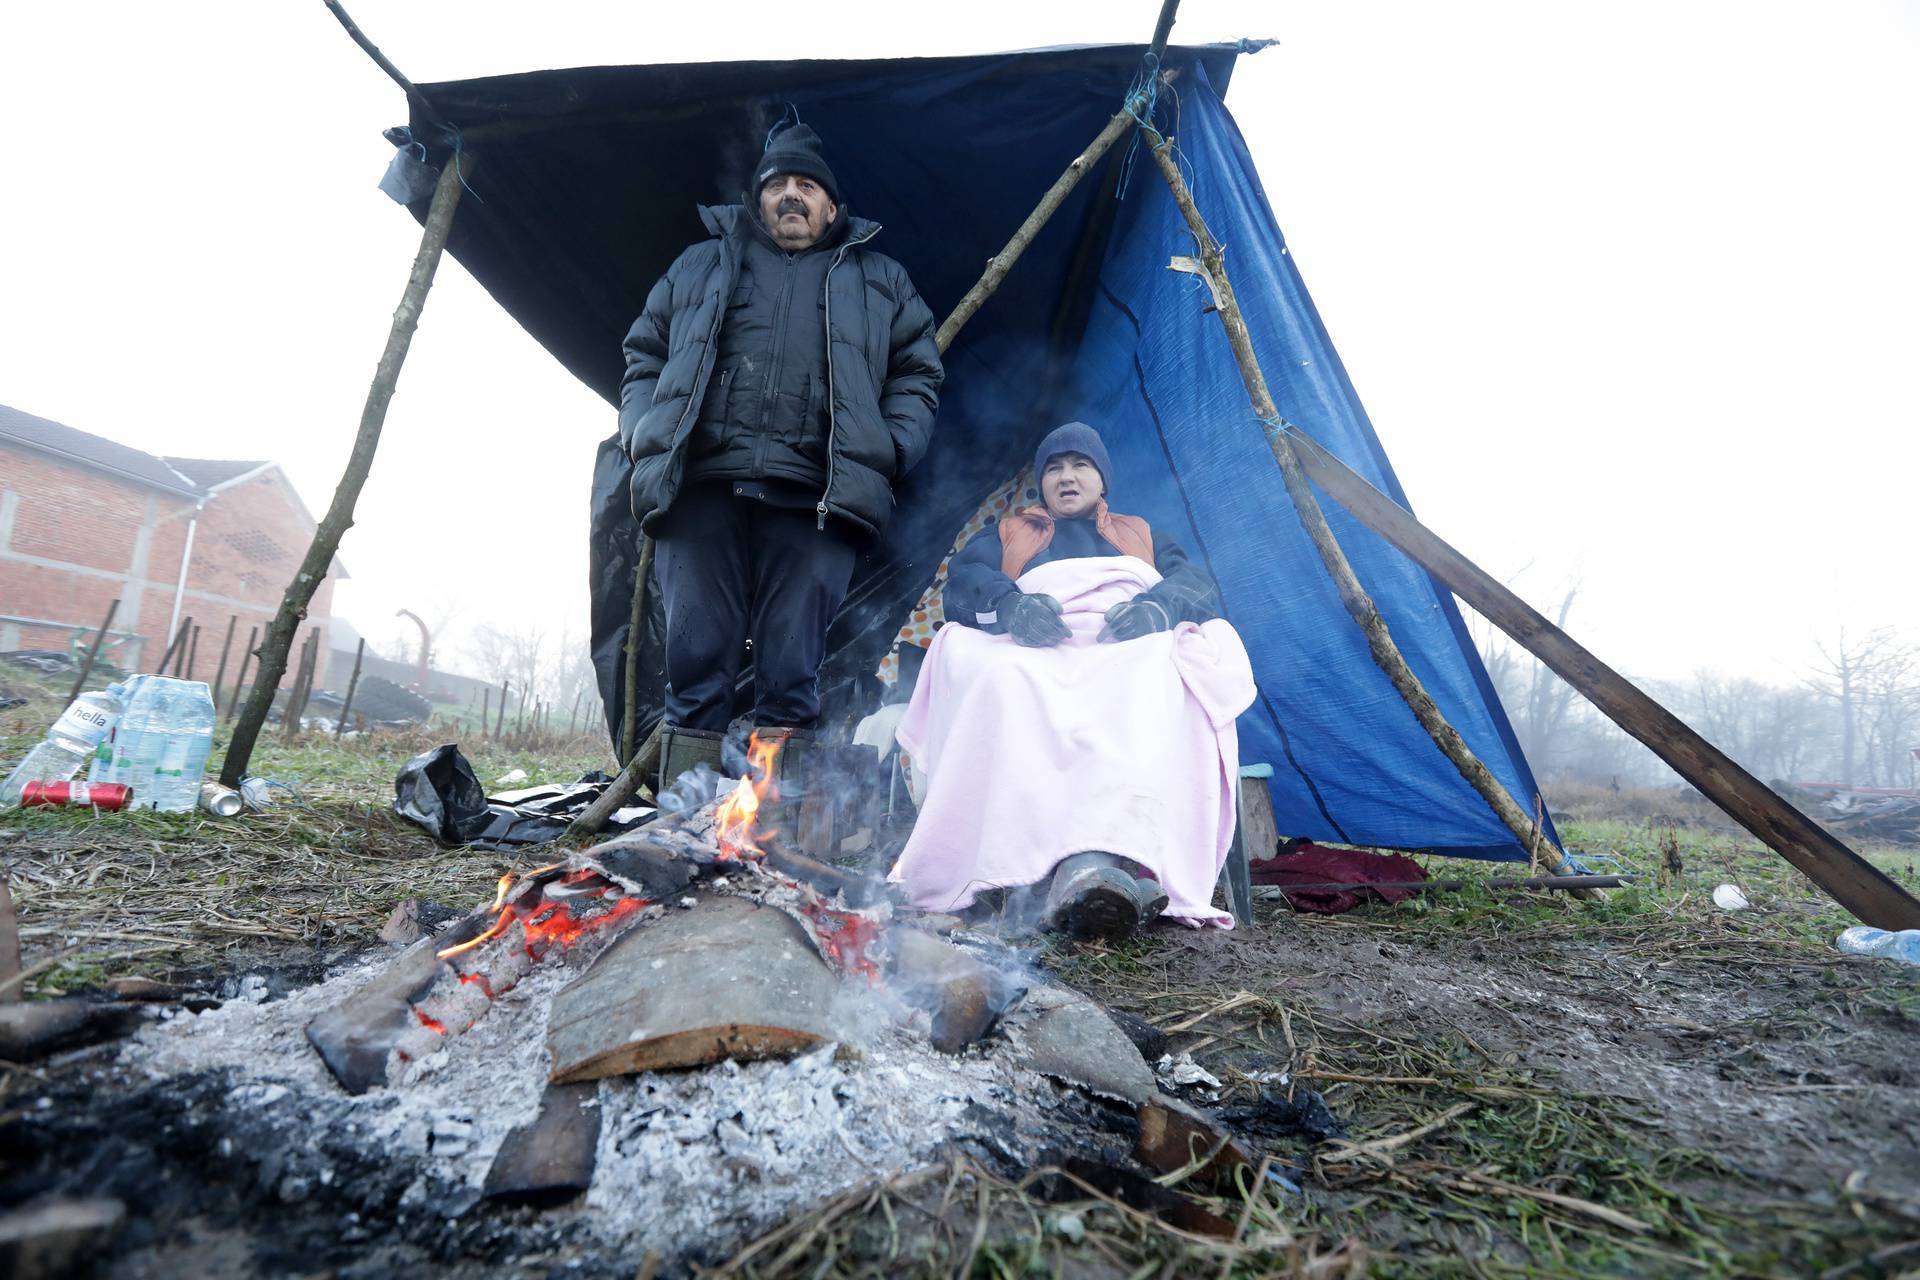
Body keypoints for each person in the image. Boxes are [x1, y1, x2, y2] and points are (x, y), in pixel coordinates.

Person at [618, 118, 944, 786]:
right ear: (757, 199)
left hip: (814, 500)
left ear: (831, 205)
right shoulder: (701, 263)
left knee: (791, 672)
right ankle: (681, 822)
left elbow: (919, 374)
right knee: (695, 662)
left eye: (806, 186)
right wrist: (643, 431)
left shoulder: (879, 278)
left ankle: (770, 837)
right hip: (702, 488)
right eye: (778, 186)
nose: (790, 197)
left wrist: (887, 447)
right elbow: (643, 355)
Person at [889, 422, 1256, 935]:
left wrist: (1158, 607)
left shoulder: (1141, 533)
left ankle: (1113, 860)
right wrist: (1011, 604)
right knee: (1001, 675)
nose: (1066, 476)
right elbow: (964, 585)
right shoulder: (1011, 531)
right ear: (1040, 483)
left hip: (1123, 643)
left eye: (1080, 464)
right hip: (1037, 645)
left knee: (1159, 671)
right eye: (1054, 467)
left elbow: (1194, 582)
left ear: (1103, 479)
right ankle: (1031, 866)